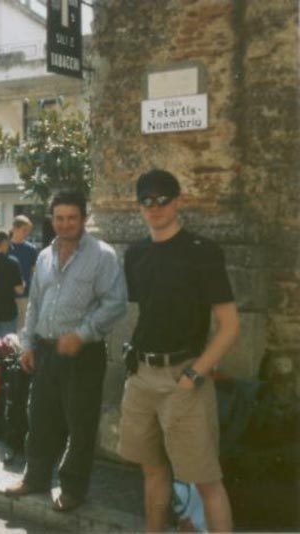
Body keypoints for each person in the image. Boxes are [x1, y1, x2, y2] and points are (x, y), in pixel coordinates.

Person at [119, 169, 240, 532]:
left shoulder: (202, 252)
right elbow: (147, 311)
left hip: (184, 377)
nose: (154, 208)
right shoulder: (136, 254)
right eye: (146, 201)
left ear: (178, 201)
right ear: (138, 207)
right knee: (152, 470)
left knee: (206, 480)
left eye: (162, 200)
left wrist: (195, 373)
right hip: (141, 377)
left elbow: (230, 325)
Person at [5, 190, 127, 513]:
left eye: (72, 217)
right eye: (59, 218)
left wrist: (82, 334)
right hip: (45, 351)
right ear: (52, 219)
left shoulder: (103, 255)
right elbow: (34, 304)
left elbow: (115, 303)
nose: (65, 224)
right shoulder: (44, 256)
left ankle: (73, 489)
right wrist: (28, 344)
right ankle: (36, 478)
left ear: (83, 219)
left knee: (80, 423)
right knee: (40, 417)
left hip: (82, 355)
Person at [8, 215, 38, 333]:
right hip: (6, 295)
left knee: (23, 329)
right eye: (24, 230)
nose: (27, 233)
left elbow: (35, 271)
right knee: (8, 329)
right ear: (15, 228)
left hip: (25, 295)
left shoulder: (31, 249)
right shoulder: (6, 247)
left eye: (28, 231)